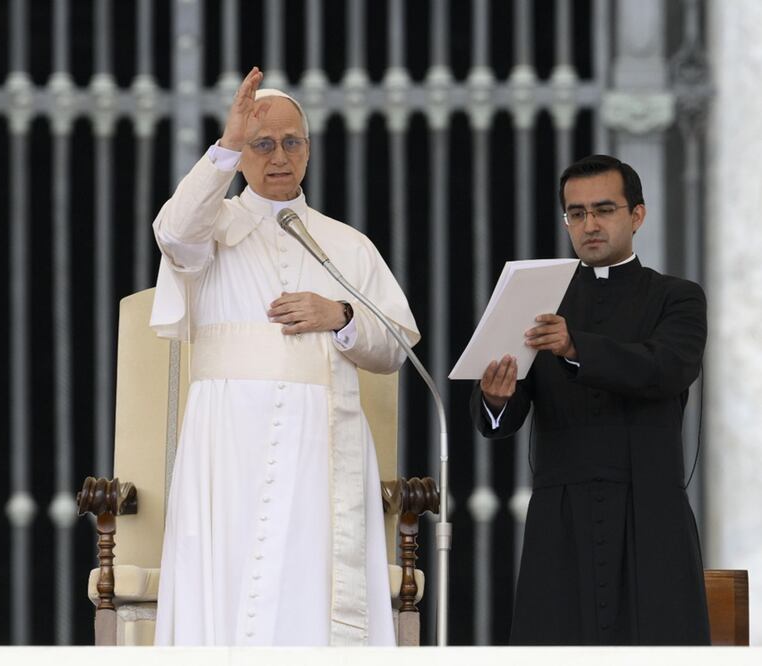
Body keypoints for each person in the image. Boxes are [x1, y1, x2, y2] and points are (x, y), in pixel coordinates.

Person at [150, 66, 420, 646]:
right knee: (224, 587)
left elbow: (397, 344)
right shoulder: (211, 229)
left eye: (291, 143)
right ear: (240, 153)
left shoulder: (347, 242)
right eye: (261, 143)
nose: (279, 157)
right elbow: (173, 232)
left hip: (317, 446)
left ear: (309, 149)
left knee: (311, 590)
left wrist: (341, 315)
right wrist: (225, 143)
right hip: (227, 443)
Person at [471, 154, 710, 645]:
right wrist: (497, 397)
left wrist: (576, 347)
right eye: (576, 213)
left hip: (650, 510)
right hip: (561, 517)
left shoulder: (677, 298)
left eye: (604, 210)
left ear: (637, 215)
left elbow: (667, 368)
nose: (590, 224)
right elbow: (504, 416)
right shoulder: (539, 300)